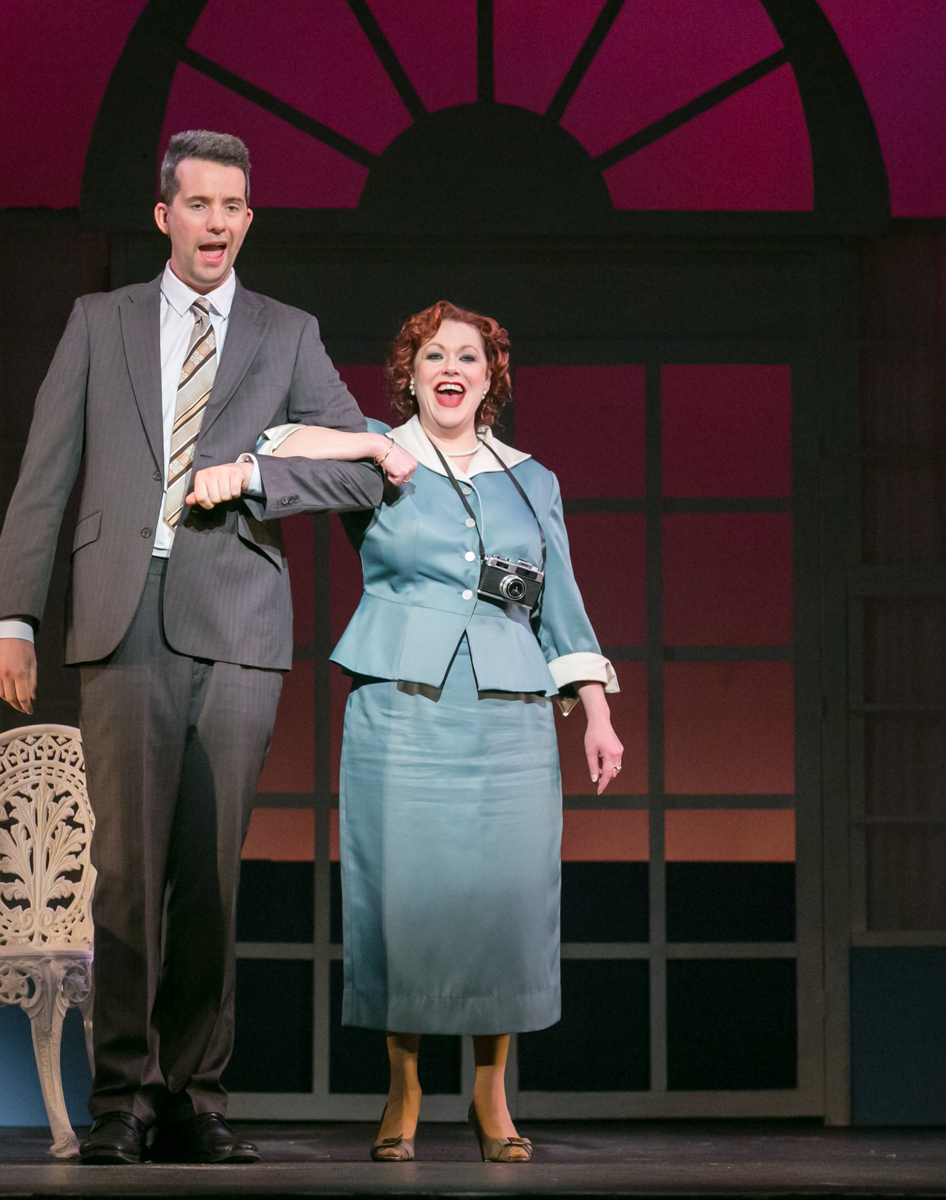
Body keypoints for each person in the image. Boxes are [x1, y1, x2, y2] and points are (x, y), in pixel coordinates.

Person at [0, 130, 384, 1166]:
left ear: (250, 220)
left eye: (233, 206)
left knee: (210, 877)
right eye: (198, 204)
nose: (216, 223)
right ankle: (121, 1096)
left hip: (236, 620)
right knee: (124, 873)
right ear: (164, 215)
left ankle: (194, 1097)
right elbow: (44, 474)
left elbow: (365, 465)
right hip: (123, 614)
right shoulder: (101, 321)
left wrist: (255, 476)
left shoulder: (286, 333)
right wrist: (14, 616)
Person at [259, 301, 623, 1163]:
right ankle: (405, 1086)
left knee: (504, 897)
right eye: (433, 356)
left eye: (467, 356)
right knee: (405, 895)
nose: (450, 368)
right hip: (402, 703)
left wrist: (597, 712)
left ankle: (491, 1092)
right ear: (410, 375)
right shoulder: (378, 455)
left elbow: (559, 603)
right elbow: (274, 444)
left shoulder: (531, 480)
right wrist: (369, 447)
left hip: (510, 713)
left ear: (492, 378)